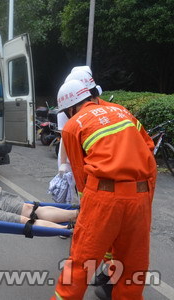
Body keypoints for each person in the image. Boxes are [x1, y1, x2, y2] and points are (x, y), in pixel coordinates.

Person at [52, 80, 156, 299]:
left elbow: (81, 177)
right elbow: (149, 150)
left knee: (82, 262)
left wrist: (86, 210)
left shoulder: (73, 126)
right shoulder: (123, 112)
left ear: (71, 108)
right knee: (133, 264)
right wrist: (146, 200)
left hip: (104, 197)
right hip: (140, 196)